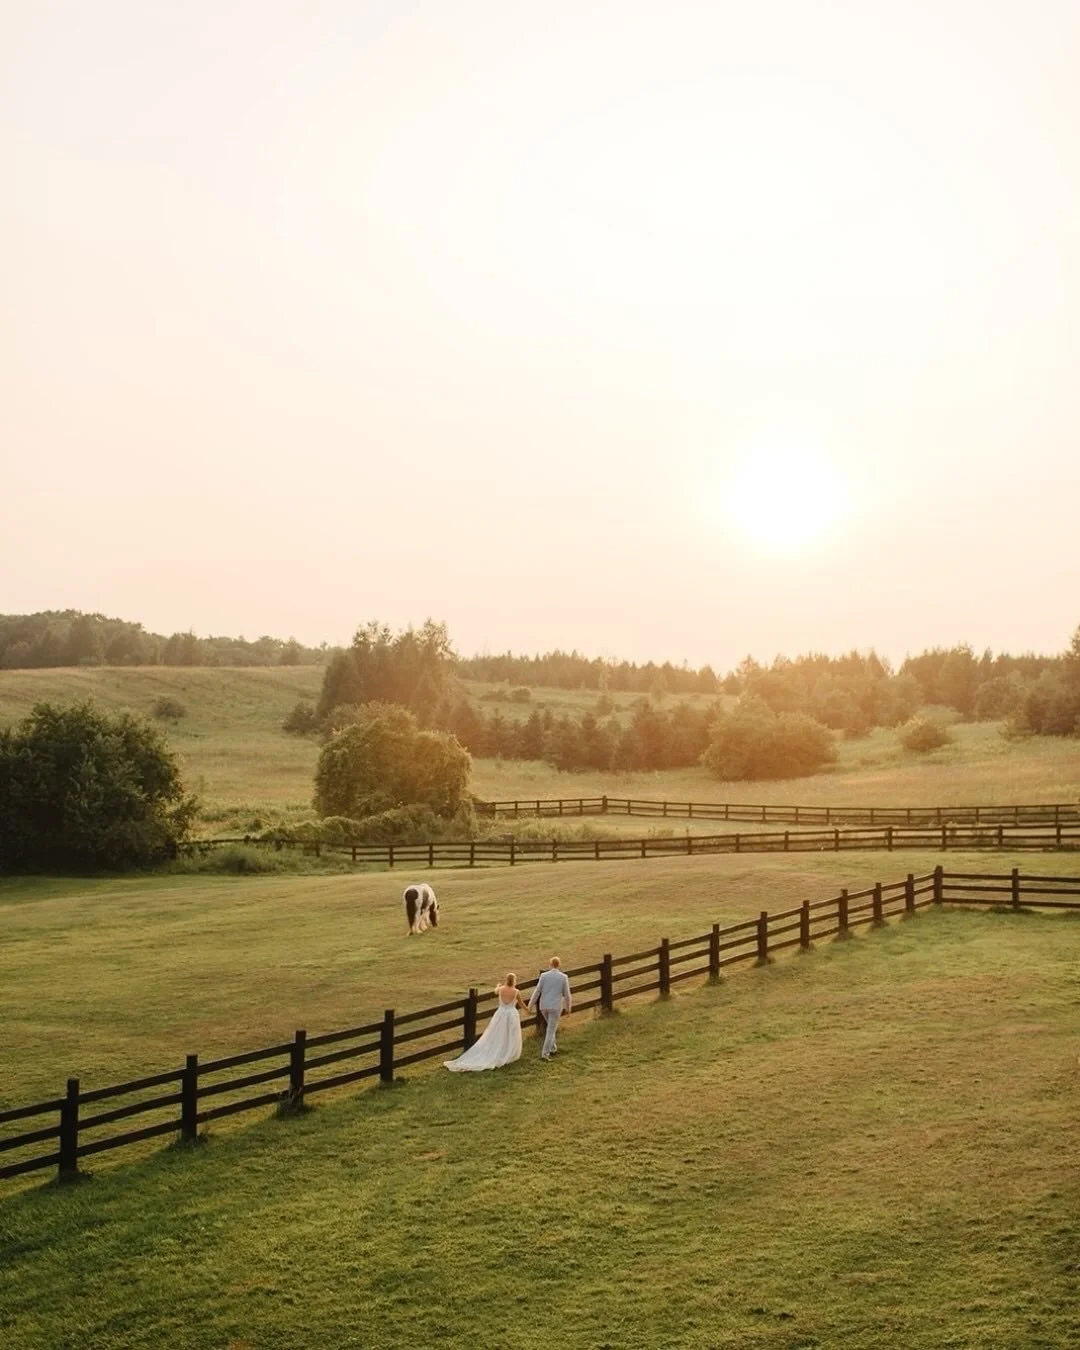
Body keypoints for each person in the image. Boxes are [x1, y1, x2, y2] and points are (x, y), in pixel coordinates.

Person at [444, 973, 524, 1072]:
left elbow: (495, 991)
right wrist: (528, 1010)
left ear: (506, 980)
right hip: (512, 1015)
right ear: (514, 981)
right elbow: (521, 1003)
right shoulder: (516, 992)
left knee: (496, 1033)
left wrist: (498, 986)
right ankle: (507, 1051)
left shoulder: (501, 989)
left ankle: (497, 1050)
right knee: (510, 1033)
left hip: (500, 1014)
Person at [528, 956, 572, 1061]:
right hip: (555, 1007)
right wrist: (568, 1007)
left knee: (550, 1028)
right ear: (559, 965)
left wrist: (530, 1005)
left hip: (544, 1006)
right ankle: (545, 1054)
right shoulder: (563, 977)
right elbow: (567, 994)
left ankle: (553, 1048)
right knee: (551, 1030)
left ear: (550, 964)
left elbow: (537, 991)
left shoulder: (544, 976)